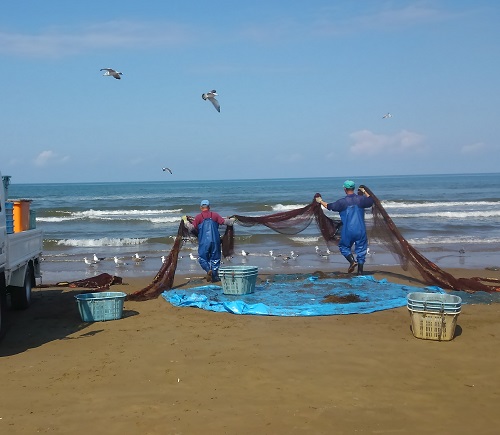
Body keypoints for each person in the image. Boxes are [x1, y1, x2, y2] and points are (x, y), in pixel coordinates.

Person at [316, 180, 374, 275]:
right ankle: (360, 273)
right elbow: (371, 200)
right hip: (361, 230)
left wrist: (320, 201)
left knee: (343, 247)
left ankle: (352, 261)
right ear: (354, 188)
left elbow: (329, 206)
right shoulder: (361, 200)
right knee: (361, 251)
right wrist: (364, 191)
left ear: (345, 189)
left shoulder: (342, 202)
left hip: (348, 230)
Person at [183, 200, 234, 282]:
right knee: (215, 259)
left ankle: (208, 270)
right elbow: (225, 222)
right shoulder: (215, 215)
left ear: (201, 208)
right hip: (215, 240)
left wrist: (185, 221)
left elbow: (191, 228)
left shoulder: (199, 217)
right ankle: (214, 276)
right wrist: (232, 220)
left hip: (204, 241)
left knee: (202, 258)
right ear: (209, 207)